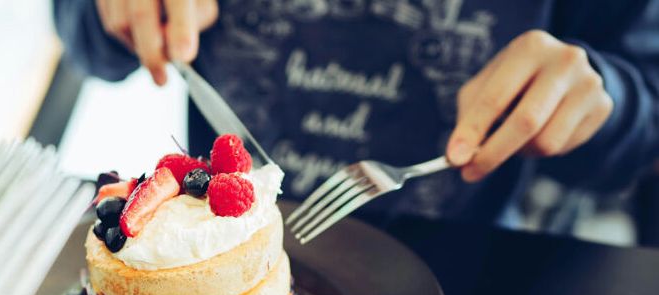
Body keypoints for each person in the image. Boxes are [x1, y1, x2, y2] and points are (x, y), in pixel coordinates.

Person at [53, 0, 659, 226]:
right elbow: (83, 34)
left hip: (462, 285)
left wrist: (600, 99)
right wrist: (111, 14)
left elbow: (643, 129)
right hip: (225, 238)